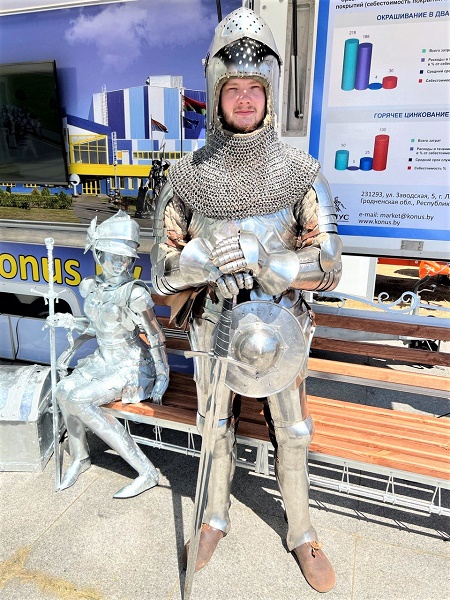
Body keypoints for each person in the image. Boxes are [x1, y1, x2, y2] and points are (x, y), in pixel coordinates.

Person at [151, 7, 342, 593]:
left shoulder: (300, 173)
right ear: (216, 92)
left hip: (283, 327)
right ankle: (213, 517)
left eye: (252, 88)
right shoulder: (186, 177)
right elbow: (160, 271)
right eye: (232, 88)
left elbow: (329, 266)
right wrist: (199, 262)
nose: (242, 99)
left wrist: (268, 261)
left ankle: (302, 530)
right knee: (213, 426)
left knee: (294, 430)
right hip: (213, 325)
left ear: (268, 93)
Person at [49, 210, 170, 498]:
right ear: (98, 254)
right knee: (62, 390)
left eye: (126, 258)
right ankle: (80, 457)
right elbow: (96, 327)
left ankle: (147, 471)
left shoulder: (135, 293)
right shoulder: (91, 287)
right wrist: (70, 322)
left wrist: (163, 375)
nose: (120, 263)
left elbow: (156, 336)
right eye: (113, 256)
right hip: (103, 361)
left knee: (79, 398)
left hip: (132, 365)